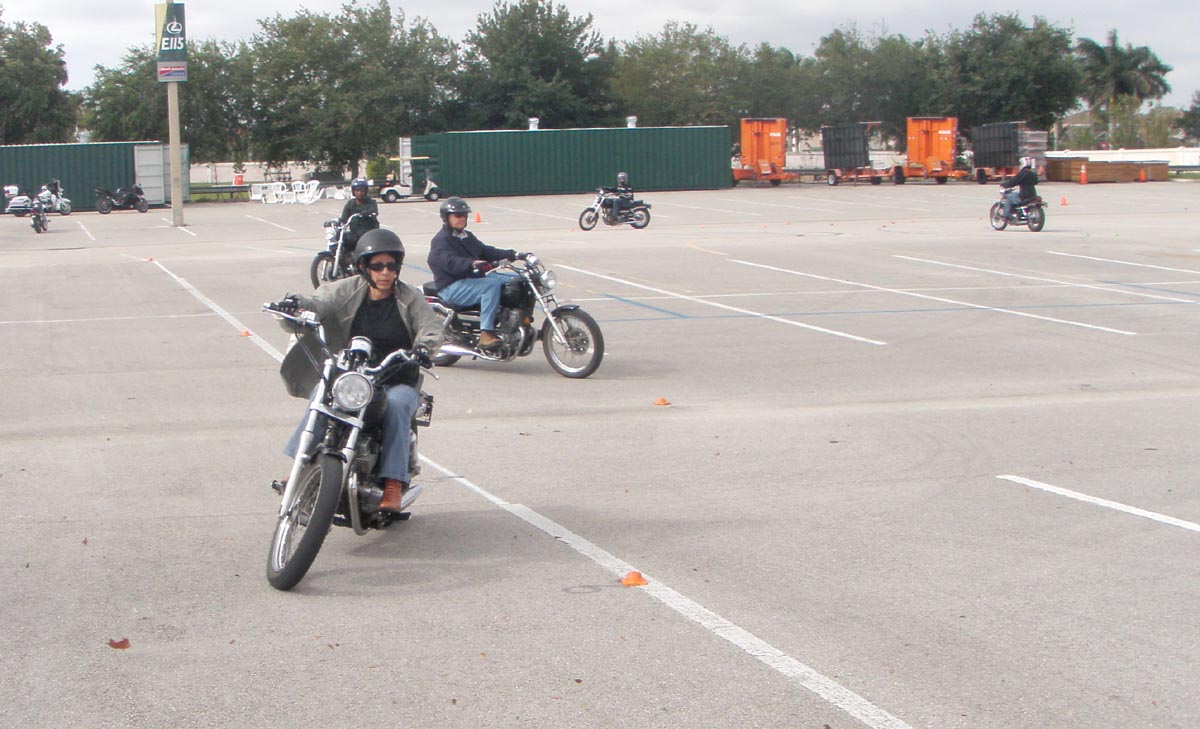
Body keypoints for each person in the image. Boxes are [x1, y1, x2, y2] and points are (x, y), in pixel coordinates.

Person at [277, 228, 441, 512]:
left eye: (391, 265)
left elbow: (431, 327)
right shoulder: (347, 289)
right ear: (364, 267)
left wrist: (424, 348)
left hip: (395, 377)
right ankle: (300, 467)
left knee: (397, 405)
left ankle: (393, 482)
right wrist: (296, 305)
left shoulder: (410, 298)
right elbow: (318, 302)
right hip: (353, 375)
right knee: (322, 394)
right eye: (377, 266)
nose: (385, 272)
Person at [427, 197, 526, 350]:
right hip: (451, 286)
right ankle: (486, 333)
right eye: (457, 215)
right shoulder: (441, 240)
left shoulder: (466, 236)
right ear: (447, 218)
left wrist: (514, 254)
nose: (462, 219)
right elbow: (448, 262)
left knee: (517, 280)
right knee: (490, 285)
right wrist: (471, 264)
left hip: (471, 280)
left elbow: (486, 251)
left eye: (464, 215)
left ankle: (516, 322)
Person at [339, 177, 379, 249]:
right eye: (357, 190)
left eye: (362, 191)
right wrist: (335, 222)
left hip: (369, 233)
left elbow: (374, 211)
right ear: (353, 191)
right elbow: (344, 218)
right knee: (343, 238)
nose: (359, 193)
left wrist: (366, 213)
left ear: (365, 191)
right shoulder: (350, 203)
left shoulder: (371, 202)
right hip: (355, 233)